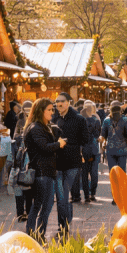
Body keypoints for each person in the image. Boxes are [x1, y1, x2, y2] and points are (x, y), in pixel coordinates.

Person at [23, 99, 66, 239]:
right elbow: (44, 148)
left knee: (43, 205)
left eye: (52, 110)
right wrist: (58, 144)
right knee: (42, 205)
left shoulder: (42, 126)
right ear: (41, 111)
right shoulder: (36, 128)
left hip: (47, 171)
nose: (52, 112)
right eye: (49, 109)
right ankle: (34, 233)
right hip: (42, 172)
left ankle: (37, 233)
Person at [52, 92, 88, 232]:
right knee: (61, 195)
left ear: (69, 102)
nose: (59, 104)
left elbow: (85, 139)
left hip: (72, 162)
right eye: (57, 101)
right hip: (56, 161)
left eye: (62, 101)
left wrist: (71, 144)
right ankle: (64, 222)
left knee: (64, 193)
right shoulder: (53, 118)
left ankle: (64, 224)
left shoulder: (79, 119)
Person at [101, 101, 127, 206]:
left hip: (110, 150)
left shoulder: (106, 120)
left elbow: (103, 135)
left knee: (113, 175)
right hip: (122, 149)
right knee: (122, 174)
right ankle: (122, 196)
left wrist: (102, 141)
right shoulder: (125, 120)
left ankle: (115, 197)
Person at [80, 101, 102, 203]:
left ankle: (86, 195)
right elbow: (97, 135)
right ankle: (93, 193)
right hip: (94, 150)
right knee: (94, 173)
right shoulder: (96, 120)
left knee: (84, 173)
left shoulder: (80, 121)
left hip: (83, 149)